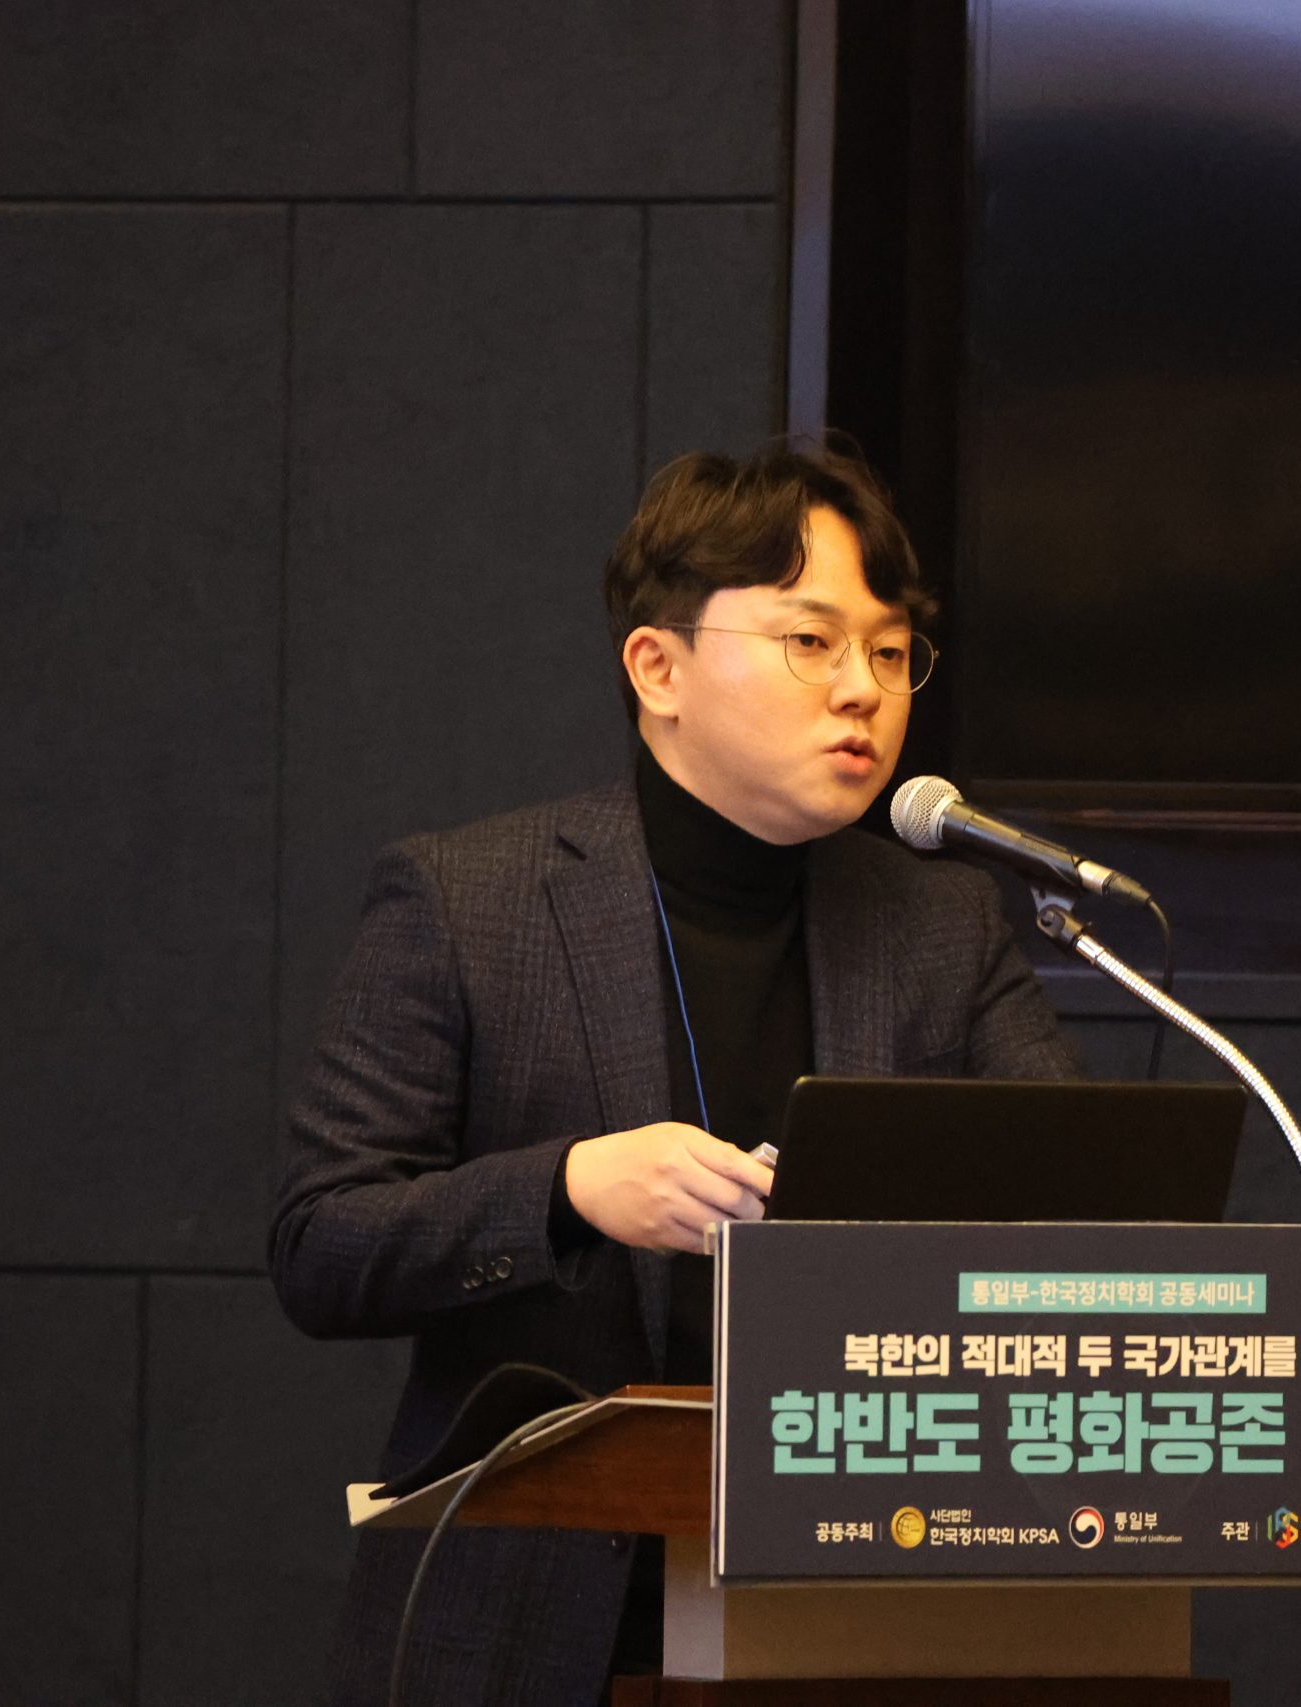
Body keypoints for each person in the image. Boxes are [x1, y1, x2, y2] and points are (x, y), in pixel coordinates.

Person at [269, 443, 1079, 1706]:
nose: (862, 690)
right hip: (528, 1628)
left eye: (888, 651)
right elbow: (322, 1244)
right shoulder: (468, 902)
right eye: (811, 641)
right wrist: (568, 1191)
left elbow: (1078, 1209)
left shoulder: (939, 922)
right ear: (658, 669)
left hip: (854, 1607)